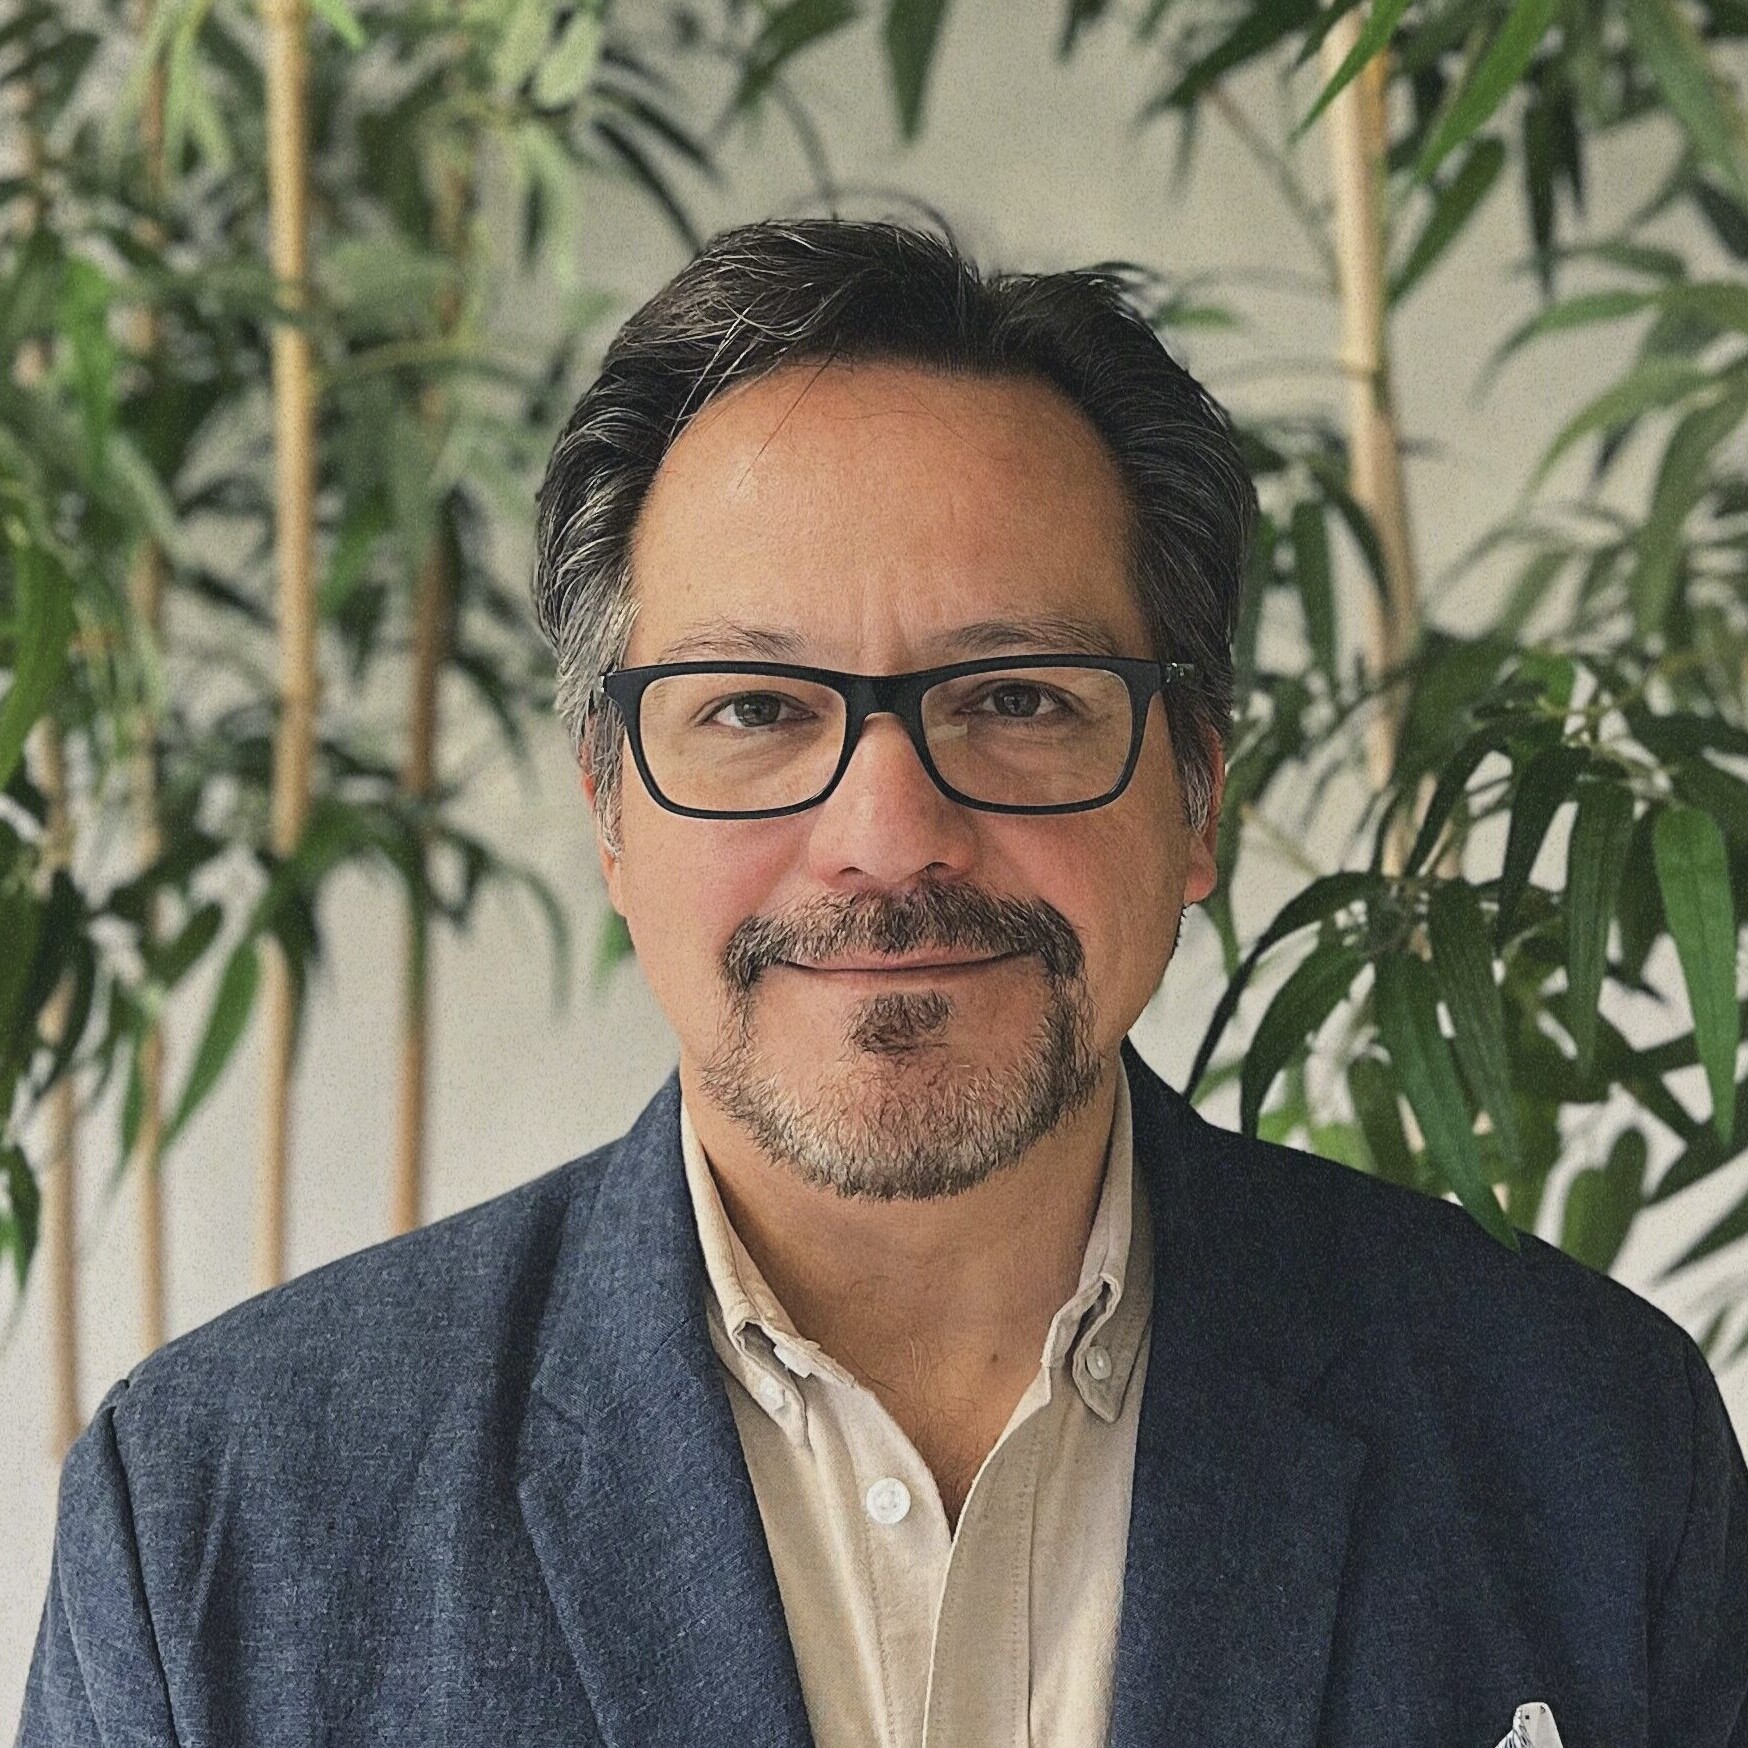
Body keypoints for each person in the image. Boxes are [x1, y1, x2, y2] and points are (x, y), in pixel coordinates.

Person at [15, 217, 1746, 1748]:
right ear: (610, 810)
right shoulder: (222, 1515)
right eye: (757, 711)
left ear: (1198, 792)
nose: (888, 836)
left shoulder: (1590, 1448)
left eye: (1019, 698)